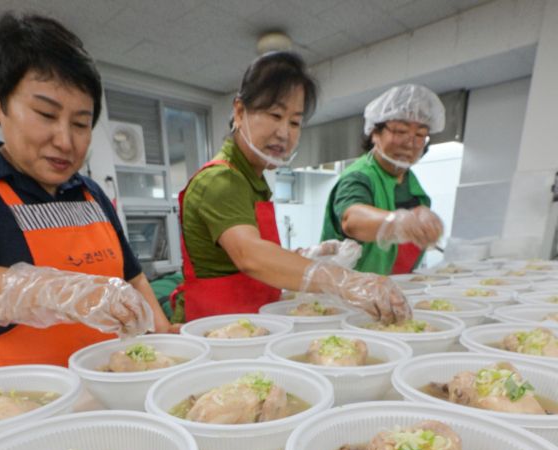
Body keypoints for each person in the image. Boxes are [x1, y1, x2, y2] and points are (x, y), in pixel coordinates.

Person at [0, 13, 170, 371]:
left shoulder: (91, 194)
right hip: (24, 400)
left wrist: (162, 338)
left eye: (81, 123)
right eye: (46, 114)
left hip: (113, 385)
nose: (65, 141)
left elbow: (134, 277)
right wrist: (64, 293)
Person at [173, 52, 410, 325]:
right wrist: (343, 280)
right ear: (240, 112)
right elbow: (250, 255)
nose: (284, 133)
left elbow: (237, 256)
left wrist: (307, 256)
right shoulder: (219, 180)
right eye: (275, 115)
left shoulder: (251, 180)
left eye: (295, 122)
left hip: (247, 323)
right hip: (215, 328)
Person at [321, 84, 446, 276]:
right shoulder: (359, 176)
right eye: (400, 131)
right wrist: (396, 222)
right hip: (351, 293)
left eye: (420, 135)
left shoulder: (412, 184)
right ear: (374, 133)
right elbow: (351, 220)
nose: (410, 142)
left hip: (396, 288)